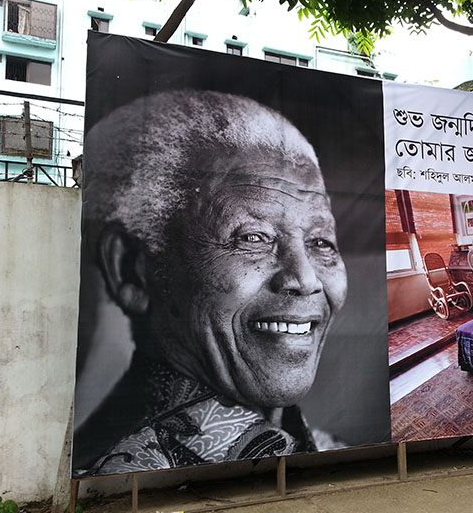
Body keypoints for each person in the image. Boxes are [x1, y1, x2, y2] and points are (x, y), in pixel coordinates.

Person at [73, 90, 347, 477]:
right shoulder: (121, 474)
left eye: (321, 242)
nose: (304, 279)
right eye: (253, 238)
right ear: (132, 270)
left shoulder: (326, 450)